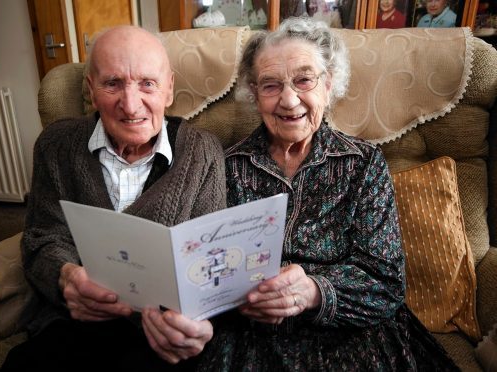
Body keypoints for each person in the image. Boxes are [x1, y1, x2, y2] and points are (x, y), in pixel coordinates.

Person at [192, 17, 460, 371]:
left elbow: (386, 282)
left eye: (304, 79)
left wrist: (315, 291)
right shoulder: (227, 166)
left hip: (347, 333)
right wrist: (237, 297)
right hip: (252, 332)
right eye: (271, 85)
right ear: (254, 95)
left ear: (328, 84)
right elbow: (207, 266)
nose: (289, 100)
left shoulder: (362, 163)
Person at [0, 25, 225, 371]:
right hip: (73, 324)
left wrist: (194, 321)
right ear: (91, 90)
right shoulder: (56, 145)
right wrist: (65, 278)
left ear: (169, 89)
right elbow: (42, 236)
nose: (131, 105)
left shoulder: (203, 152)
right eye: (113, 83)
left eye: (147, 84)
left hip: (158, 332)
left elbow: (210, 260)